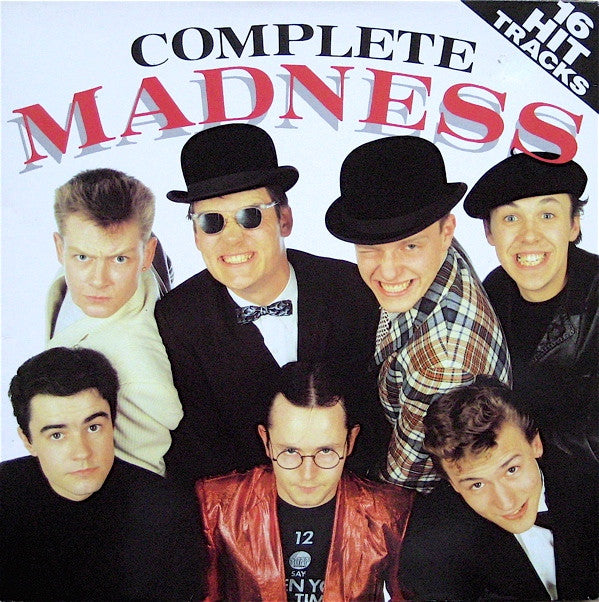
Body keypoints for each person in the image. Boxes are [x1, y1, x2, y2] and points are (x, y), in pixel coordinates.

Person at [155, 123, 388, 486]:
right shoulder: (176, 321)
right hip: (239, 507)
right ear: (196, 235)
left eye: (250, 216)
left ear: (285, 219)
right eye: (212, 222)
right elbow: (195, 453)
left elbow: (378, 419)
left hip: (356, 497)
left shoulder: (355, 289)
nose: (232, 239)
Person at [325, 135, 511, 493]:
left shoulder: (441, 363)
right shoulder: (438, 248)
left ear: (447, 231)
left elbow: (402, 485)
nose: (388, 271)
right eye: (371, 248)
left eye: (409, 246)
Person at [196, 361, 413, 601]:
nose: (308, 474)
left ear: (350, 441)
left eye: (326, 451)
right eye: (290, 451)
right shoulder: (217, 506)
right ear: (266, 441)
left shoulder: (389, 514)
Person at [0, 347, 205, 601]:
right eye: (57, 435)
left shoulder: (166, 508)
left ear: (113, 423)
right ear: (27, 440)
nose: (82, 452)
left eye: (94, 427)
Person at [399, 377, 598, 601]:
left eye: (512, 470)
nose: (506, 503)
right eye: (477, 485)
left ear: (536, 444)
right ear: (453, 484)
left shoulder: (589, 473)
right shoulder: (433, 550)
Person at [463, 151, 598, 466]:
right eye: (511, 218)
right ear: (489, 232)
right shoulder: (495, 289)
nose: (529, 236)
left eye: (547, 215)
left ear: (573, 225)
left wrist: (525, 438)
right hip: (519, 481)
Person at [47, 168, 182, 475]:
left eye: (119, 259)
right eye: (83, 258)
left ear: (147, 254)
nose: (98, 280)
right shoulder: (124, 255)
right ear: (60, 248)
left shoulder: (139, 372)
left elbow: (138, 479)